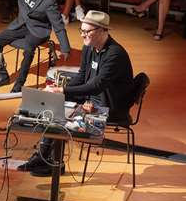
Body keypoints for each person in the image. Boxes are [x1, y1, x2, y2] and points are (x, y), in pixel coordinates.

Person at [19, 10, 134, 176]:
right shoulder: (89, 48)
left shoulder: (114, 54)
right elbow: (81, 77)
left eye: (87, 31)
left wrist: (62, 90)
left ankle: (52, 161)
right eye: (82, 30)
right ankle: (46, 157)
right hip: (92, 98)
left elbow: (96, 86)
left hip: (109, 105)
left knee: (63, 114)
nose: (83, 35)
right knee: (54, 103)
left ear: (103, 31)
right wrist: (59, 93)